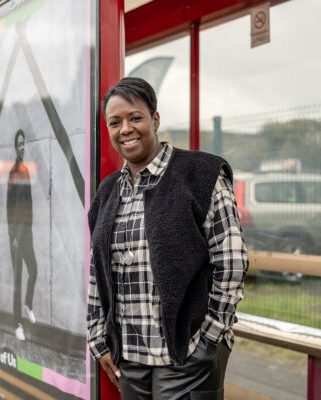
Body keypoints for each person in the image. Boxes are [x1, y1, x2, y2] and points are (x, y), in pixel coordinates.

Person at [87, 77, 248, 399]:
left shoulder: (200, 174)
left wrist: (209, 340)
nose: (126, 129)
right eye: (115, 122)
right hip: (129, 355)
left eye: (135, 118)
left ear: (155, 119)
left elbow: (231, 262)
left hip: (186, 353)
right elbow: (97, 270)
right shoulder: (107, 191)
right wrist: (97, 337)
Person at [6, 129, 38, 341]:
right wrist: (14, 236)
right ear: (15, 147)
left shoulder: (26, 170)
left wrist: (28, 230)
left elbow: (28, 205)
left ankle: (28, 304)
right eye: (19, 144)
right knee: (17, 280)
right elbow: (11, 207)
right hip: (16, 235)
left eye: (24, 143)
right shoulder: (13, 172)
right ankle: (17, 324)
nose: (22, 147)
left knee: (33, 270)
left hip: (27, 232)